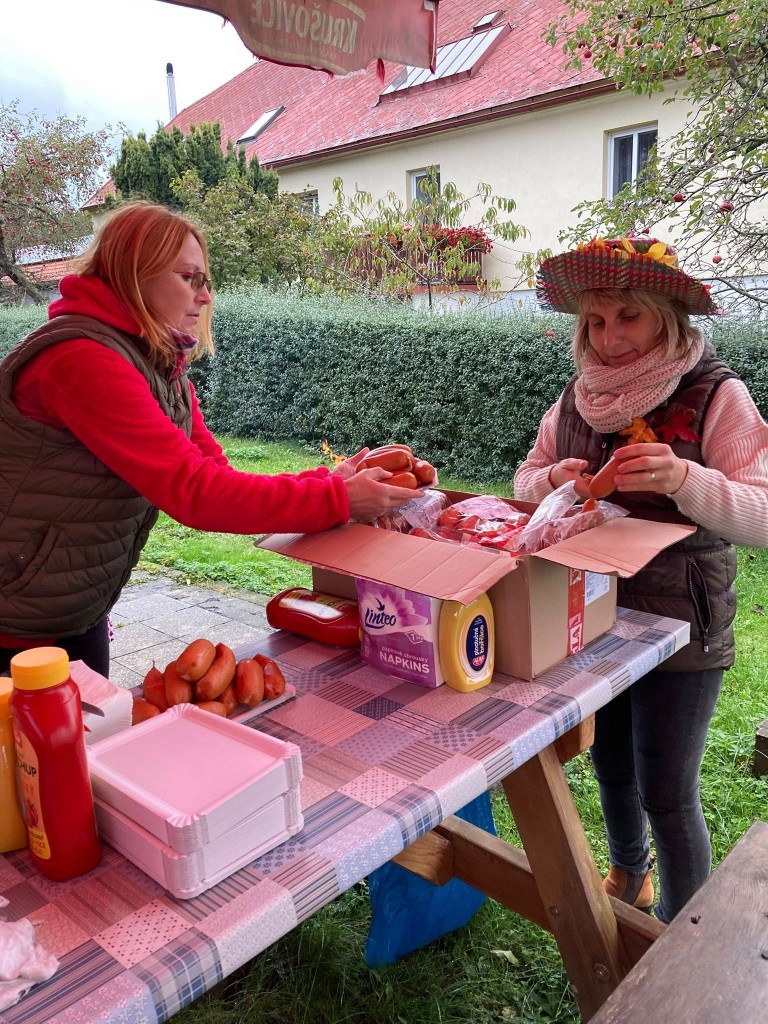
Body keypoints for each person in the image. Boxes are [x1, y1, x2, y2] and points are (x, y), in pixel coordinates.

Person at [0, 201, 416, 678]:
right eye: (189, 278)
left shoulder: (159, 368)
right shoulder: (82, 360)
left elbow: (217, 475)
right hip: (15, 620)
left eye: (206, 281)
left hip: (70, 607)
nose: (204, 297)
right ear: (135, 274)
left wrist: (329, 481)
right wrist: (338, 499)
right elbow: (196, 493)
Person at [514, 235, 768, 923]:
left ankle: (683, 939)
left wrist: (686, 479)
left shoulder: (717, 394)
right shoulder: (578, 396)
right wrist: (554, 478)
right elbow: (525, 479)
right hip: (594, 612)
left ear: (665, 316)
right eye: (596, 321)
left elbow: (762, 513)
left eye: (627, 316)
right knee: (612, 767)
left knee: (668, 793)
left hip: (682, 622)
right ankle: (631, 875)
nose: (610, 338)